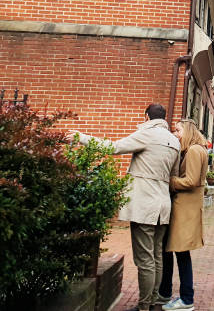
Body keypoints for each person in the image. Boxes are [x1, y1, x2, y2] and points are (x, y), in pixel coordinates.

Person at [75, 104, 180, 311]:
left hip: (144, 204)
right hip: (163, 205)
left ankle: (143, 305)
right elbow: (173, 174)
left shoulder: (147, 134)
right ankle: (152, 302)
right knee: (157, 256)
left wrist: (82, 137)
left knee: (145, 259)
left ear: (147, 116)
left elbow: (113, 147)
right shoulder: (174, 141)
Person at [157, 119, 208, 311]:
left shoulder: (194, 150)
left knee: (181, 253)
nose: (175, 134)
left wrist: (170, 181)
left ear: (187, 131)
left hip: (185, 209)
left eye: (178, 130)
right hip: (184, 208)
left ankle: (187, 299)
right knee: (170, 250)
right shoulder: (196, 149)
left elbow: (192, 180)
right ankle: (165, 291)